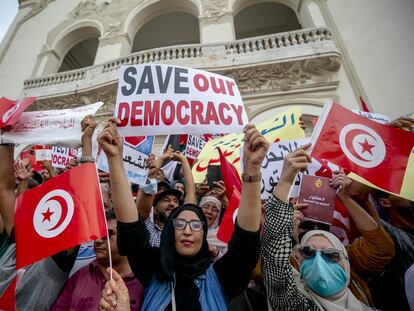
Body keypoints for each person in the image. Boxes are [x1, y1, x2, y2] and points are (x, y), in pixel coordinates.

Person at [98, 120, 268, 310]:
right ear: (169, 231)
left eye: (195, 225)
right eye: (179, 224)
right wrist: (114, 159)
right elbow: (131, 228)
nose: (187, 231)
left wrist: (252, 170)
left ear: (204, 234)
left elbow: (246, 242)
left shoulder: (223, 277)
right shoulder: (154, 270)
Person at [261, 144, 388, 310]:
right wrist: (285, 180)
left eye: (330, 255)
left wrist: (346, 198)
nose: (319, 263)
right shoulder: (296, 304)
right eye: (308, 252)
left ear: (346, 261)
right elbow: (273, 261)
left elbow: (382, 248)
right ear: (298, 257)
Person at [50, 210, 144, 311]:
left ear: (127, 238)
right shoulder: (80, 275)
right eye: (96, 233)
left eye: (108, 234)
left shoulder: (143, 282)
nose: (98, 240)